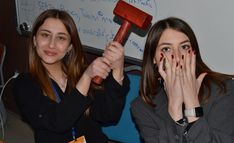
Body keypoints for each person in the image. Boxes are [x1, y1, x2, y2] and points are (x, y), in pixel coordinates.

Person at [13, 9, 130, 143]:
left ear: (69, 46)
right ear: (34, 40)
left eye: (61, 38)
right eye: (45, 35)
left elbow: (108, 116)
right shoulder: (24, 84)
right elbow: (58, 121)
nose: (51, 44)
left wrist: (118, 69)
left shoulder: (82, 73)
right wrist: (86, 78)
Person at [131, 17, 234, 143]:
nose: (178, 56)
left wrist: (192, 105)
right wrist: (174, 109)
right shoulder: (142, 107)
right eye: (166, 49)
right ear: (154, 58)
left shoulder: (225, 89)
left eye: (184, 47)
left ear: (193, 53)